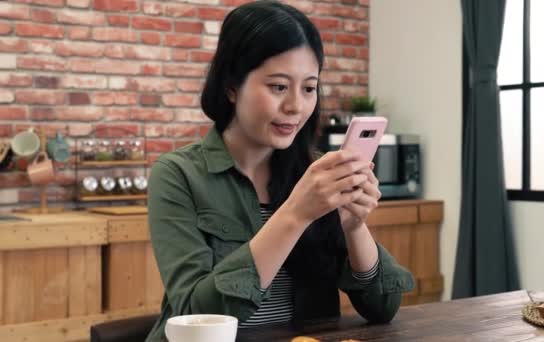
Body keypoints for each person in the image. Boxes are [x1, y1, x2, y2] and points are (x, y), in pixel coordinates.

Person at [145, 1, 413, 341]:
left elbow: (382, 308)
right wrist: (295, 214)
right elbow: (196, 318)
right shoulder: (178, 175)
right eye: (278, 87)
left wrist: (354, 225)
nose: (295, 107)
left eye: (309, 88)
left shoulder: (316, 172)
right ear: (231, 85)